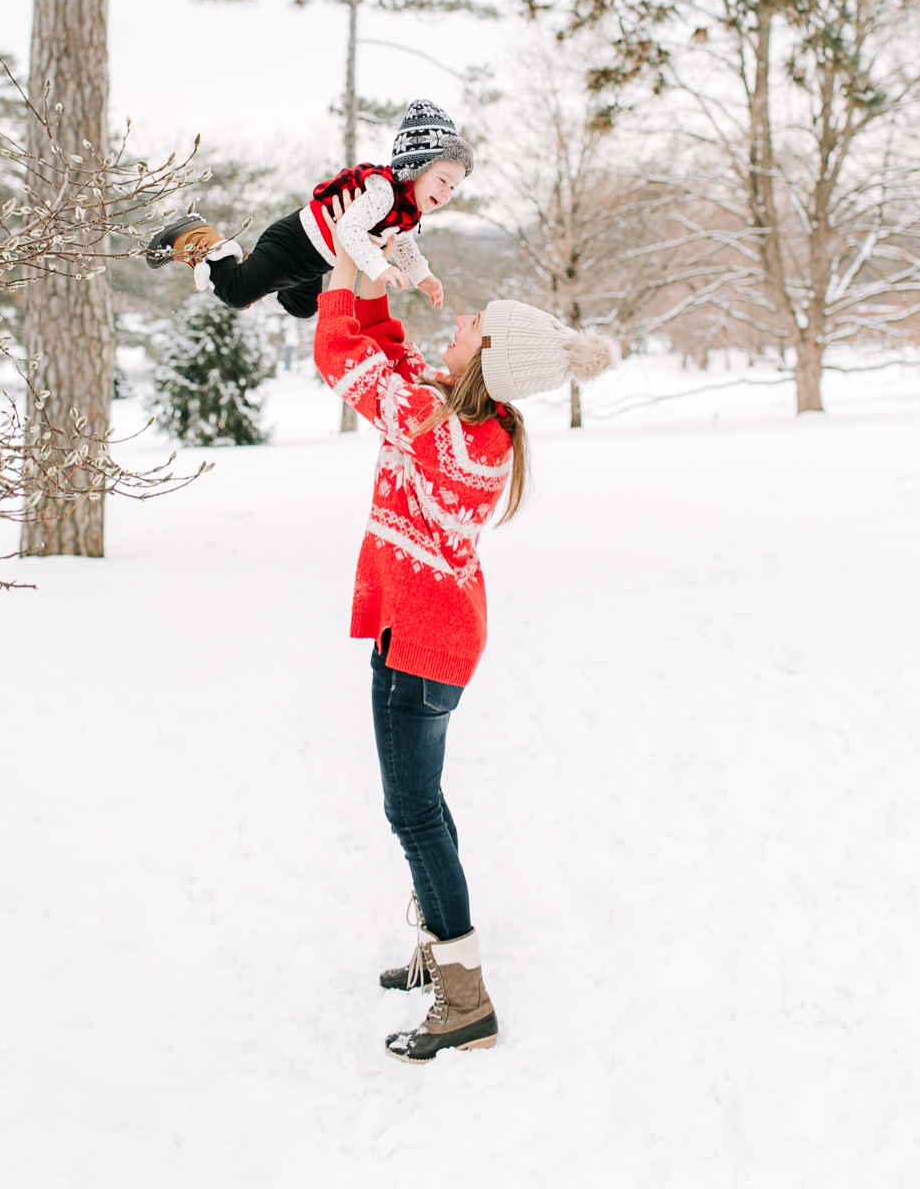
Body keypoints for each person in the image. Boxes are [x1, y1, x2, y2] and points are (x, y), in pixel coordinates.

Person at [310, 199, 617, 1062]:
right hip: (425, 632)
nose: (459, 318)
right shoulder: (462, 417)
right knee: (422, 808)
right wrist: (377, 267)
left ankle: (463, 997)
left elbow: (341, 355)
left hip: (426, 643)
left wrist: (345, 259)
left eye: (473, 323)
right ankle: (434, 950)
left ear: (486, 359)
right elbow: (385, 349)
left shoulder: (437, 425)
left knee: (411, 813)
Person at [143, 98, 473, 316]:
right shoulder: (384, 192)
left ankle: (250, 263)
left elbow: (401, 243)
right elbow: (349, 228)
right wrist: (378, 268)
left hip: (314, 261)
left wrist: (422, 276)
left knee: (303, 308)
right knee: (236, 293)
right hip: (293, 244)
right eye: (442, 180)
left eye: (454, 187)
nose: (447, 193)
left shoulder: (404, 210)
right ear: (415, 168)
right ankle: (199, 237)